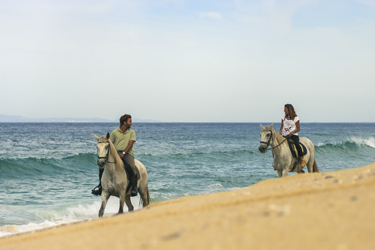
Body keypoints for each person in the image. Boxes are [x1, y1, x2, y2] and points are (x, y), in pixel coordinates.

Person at [92, 114, 138, 196]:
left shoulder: (131, 132)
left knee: (132, 167)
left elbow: (130, 144)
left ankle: (134, 188)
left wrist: (123, 153)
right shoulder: (114, 132)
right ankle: (101, 186)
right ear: (124, 122)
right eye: (130, 121)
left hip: (127, 154)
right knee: (102, 167)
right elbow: (110, 144)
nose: (131, 123)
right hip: (116, 153)